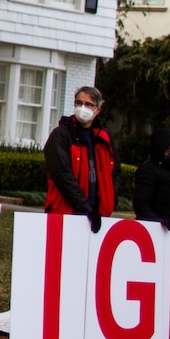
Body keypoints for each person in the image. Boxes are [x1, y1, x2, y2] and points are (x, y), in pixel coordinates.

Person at [44, 85, 118, 232]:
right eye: (79, 103)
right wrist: (85, 208)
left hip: (99, 214)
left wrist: (111, 199)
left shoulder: (104, 137)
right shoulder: (61, 135)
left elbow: (115, 172)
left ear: (97, 110)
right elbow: (62, 175)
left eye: (88, 104)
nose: (82, 107)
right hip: (66, 212)